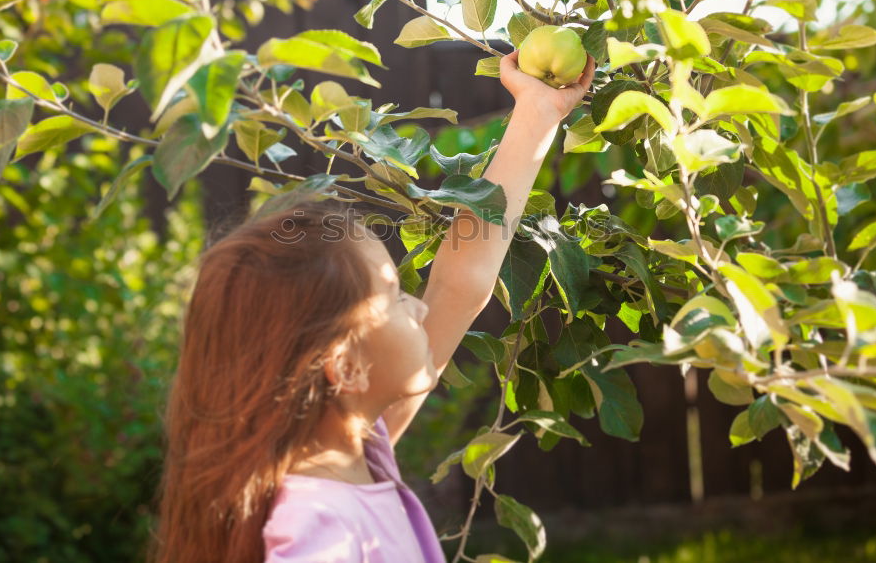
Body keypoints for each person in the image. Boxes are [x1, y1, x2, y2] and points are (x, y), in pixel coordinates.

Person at [148, 50, 595, 563]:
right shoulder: (316, 528)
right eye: (396, 298)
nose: (420, 309)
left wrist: (537, 111)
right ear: (345, 366)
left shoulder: (361, 450)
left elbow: (457, 284)